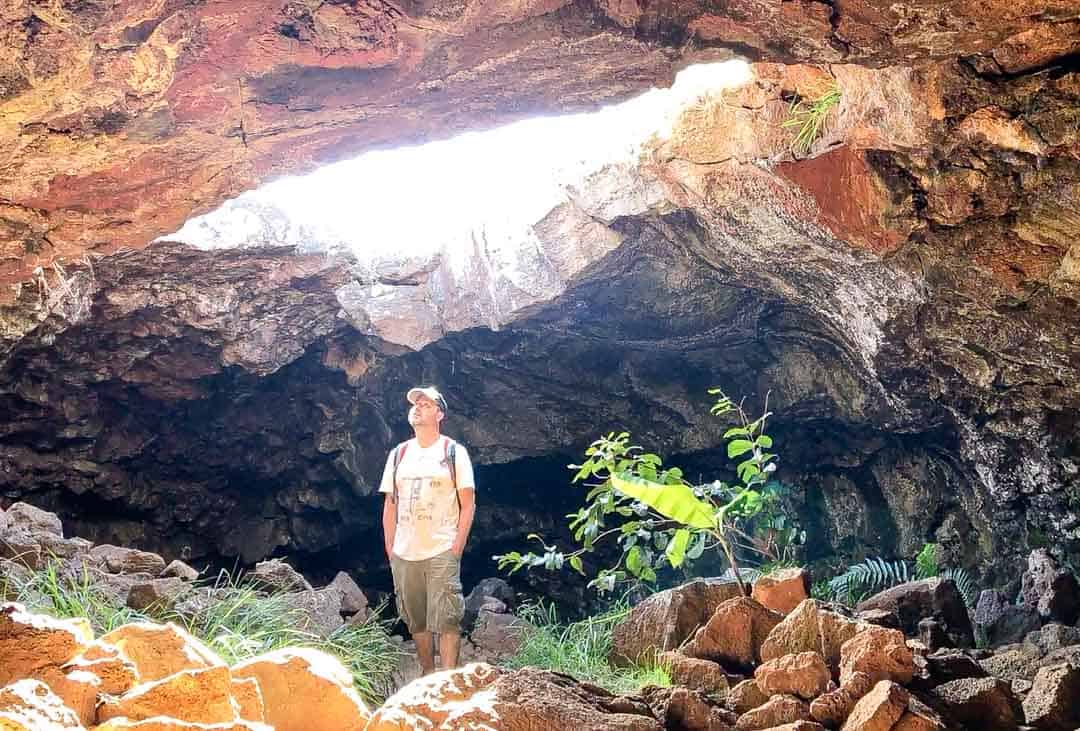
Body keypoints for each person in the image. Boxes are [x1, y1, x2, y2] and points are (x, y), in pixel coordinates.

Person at [379, 385, 476, 674]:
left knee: (447, 618)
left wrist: (456, 548)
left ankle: (446, 681)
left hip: (440, 547)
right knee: (416, 620)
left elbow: (468, 503)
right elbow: (390, 505)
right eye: (415, 403)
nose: (418, 407)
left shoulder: (453, 452)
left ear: (440, 413)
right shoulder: (398, 454)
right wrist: (391, 548)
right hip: (405, 551)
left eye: (426, 403)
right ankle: (427, 673)